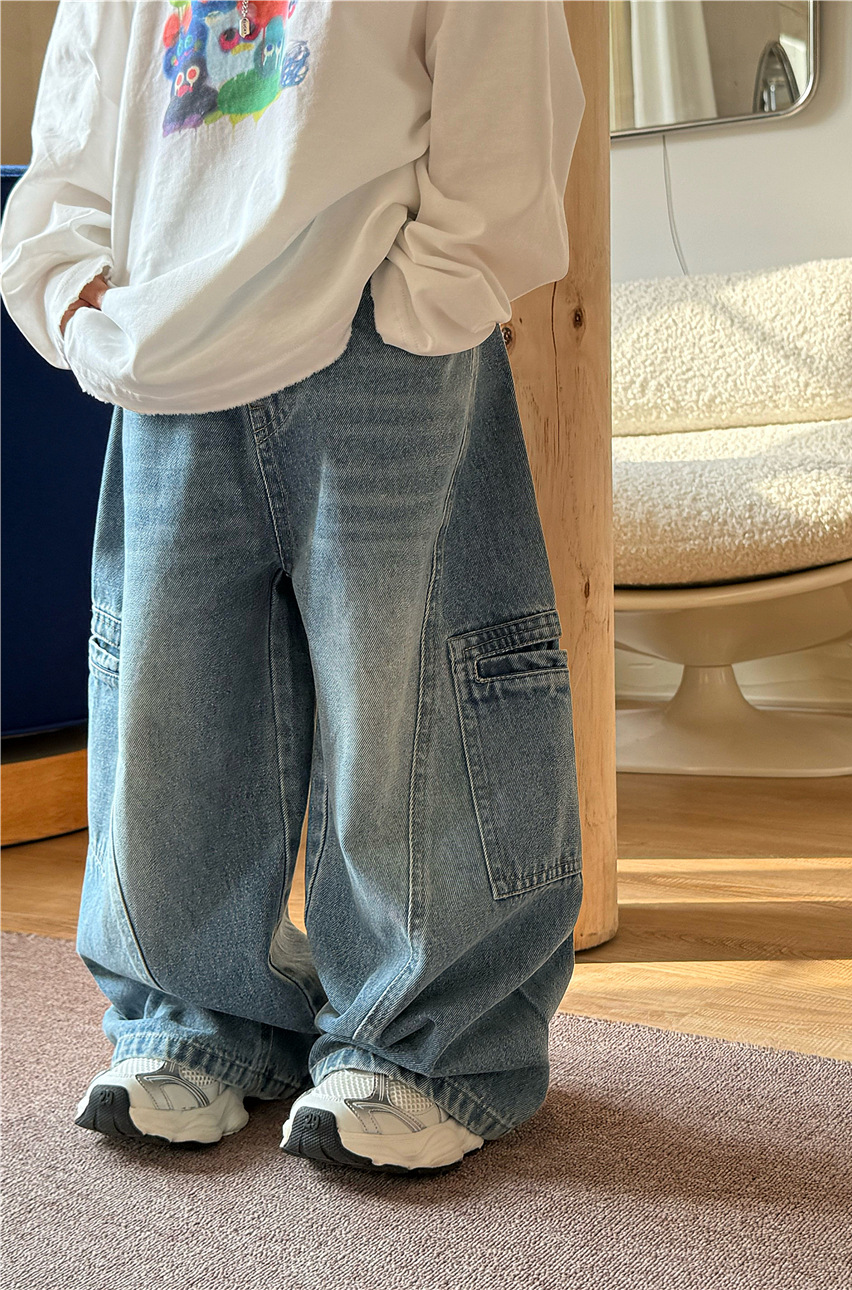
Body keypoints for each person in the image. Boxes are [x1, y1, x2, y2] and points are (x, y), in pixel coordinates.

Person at [0, 0, 586, 1177]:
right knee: (168, 697)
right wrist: (73, 294)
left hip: (380, 333)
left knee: (413, 695)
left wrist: (427, 290)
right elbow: (74, 133)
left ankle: (427, 1043)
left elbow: (502, 81)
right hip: (165, 345)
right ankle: (190, 1021)